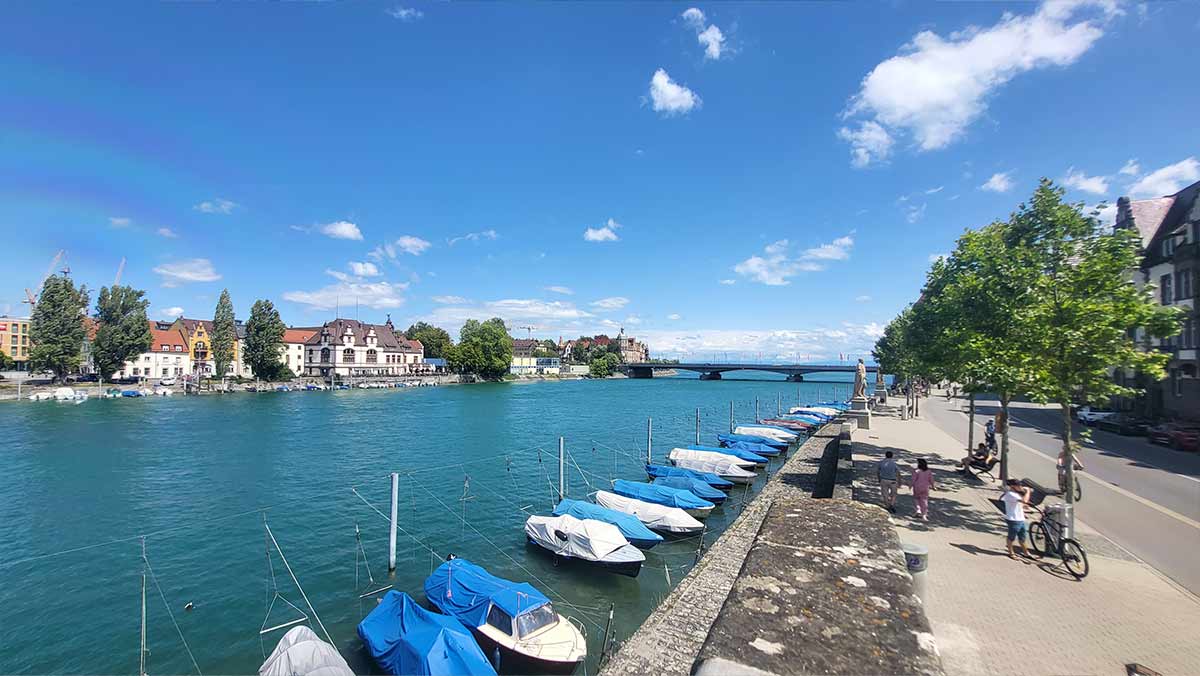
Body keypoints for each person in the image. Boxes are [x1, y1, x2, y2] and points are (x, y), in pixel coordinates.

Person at [1000, 479, 1033, 560]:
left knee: (1022, 537)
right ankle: (1011, 553)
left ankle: (1026, 552)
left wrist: (1023, 512)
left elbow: (1020, 504)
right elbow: (1025, 501)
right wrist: (1028, 491)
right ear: (1012, 486)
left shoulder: (1015, 494)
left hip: (1020, 518)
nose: (1020, 487)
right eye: (1019, 486)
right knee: (1011, 537)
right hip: (1013, 519)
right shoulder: (1010, 494)